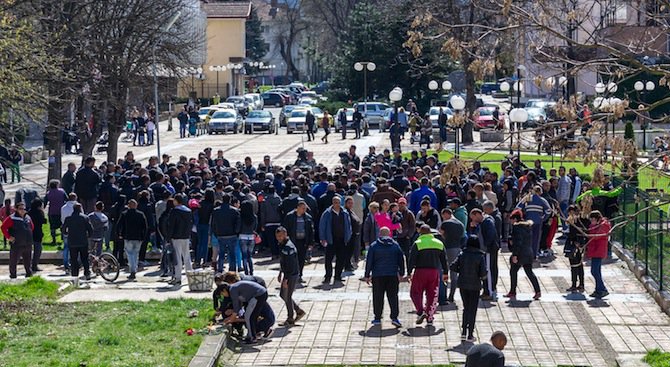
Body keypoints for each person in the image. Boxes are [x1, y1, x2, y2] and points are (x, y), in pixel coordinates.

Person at [408, 225, 449, 326]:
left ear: (420, 233)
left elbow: (411, 259)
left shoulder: (417, 243)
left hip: (420, 271)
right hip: (434, 272)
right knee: (432, 294)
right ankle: (430, 317)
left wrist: (409, 272)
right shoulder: (439, 243)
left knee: (415, 293)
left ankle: (420, 311)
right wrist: (445, 273)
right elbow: (444, 260)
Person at [364, 227, 405, 328]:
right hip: (392, 275)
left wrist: (367, 275)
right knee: (393, 297)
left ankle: (377, 317)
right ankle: (394, 317)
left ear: (379, 234)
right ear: (390, 234)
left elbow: (369, 261)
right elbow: (401, 259)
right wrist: (401, 273)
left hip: (378, 275)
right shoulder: (395, 245)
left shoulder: (374, 246)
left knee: (378, 297)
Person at [450, 235, 487, 342]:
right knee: (473, 309)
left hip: (463, 284)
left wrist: (460, 270)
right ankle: (470, 334)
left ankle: (463, 332)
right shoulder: (480, 256)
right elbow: (483, 273)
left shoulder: (462, 254)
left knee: (466, 308)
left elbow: (453, 266)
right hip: (475, 285)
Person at [505, 209, 541, 300]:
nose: (510, 221)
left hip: (520, 254)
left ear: (515, 219)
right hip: (528, 252)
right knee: (529, 272)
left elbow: (518, 243)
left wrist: (515, 255)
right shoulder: (527, 227)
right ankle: (538, 291)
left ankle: (512, 291)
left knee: (513, 271)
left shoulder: (517, 228)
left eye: (511, 219)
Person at [220, 280, 269, 344]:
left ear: (224, 290)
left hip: (258, 295)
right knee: (250, 316)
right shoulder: (234, 287)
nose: (224, 295)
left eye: (222, 293)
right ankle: (251, 335)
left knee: (249, 316)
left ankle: (252, 338)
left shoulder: (232, 290)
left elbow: (236, 307)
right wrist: (232, 316)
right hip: (260, 294)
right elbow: (239, 305)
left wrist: (230, 320)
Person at [275, 227, 306, 327]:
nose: (279, 238)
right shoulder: (282, 245)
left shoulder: (289, 247)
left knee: (287, 296)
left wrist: (286, 279)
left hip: (291, 275)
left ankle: (290, 318)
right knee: (283, 295)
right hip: (287, 273)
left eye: (280, 236)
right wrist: (280, 273)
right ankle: (298, 310)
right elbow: (283, 261)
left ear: (285, 234)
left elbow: (291, 265)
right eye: (277, 237)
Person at [319, 196, 352, 283]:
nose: (337, 204)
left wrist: (348, 236)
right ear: (332, 203)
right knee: (328, 259)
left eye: (338, 202)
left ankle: (338, 275)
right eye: (335, 202)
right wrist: (323, 238)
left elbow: (348, 225)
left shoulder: (344, 213)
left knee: (341, 258)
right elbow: (322, 226)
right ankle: (328, 276)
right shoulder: (327, 213)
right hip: (331, 240)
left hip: (342, 239)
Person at [468, 208, 499, 300]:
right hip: (484, 250)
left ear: (477, 214)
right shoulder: (481, 223)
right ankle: (487, 290)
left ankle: (489, 291)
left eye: (473, 217)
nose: (473, 220)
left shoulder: (488, 222)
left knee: (488, 270)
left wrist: (486, 246)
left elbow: (491, 234)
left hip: (488, 250)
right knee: (486, 270)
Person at [165, 194, 194, 286]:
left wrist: (168, 237)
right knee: (187, 257)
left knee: (177, 258)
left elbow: (171, 226)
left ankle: (178, 278)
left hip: (176, 237)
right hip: (186, 236)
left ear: (176, 201)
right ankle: (190, 276)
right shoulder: (188, 211)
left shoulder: (174, 211)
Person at [116, 199, 147, 281]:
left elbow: (119, 225)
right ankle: (134, 269)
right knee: (136, 254)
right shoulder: (141, 214)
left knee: (129, 254)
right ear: (136, 205)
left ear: (128, 206)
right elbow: (145, 226)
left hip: (128, 236)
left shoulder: (124, 214)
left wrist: (119, 234)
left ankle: (132, 270)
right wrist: (143, 236)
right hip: (138, 237)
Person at [1, 202, 34, 279]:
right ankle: (13, 275)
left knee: (28, 260)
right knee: (14, 261)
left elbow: (32, 227)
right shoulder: (12, 218)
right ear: (16, 209)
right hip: (17, 244)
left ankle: (28, 274)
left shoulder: (28, 217)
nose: (23, 210)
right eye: (20, 209)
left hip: (28, 243)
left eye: (24, 209)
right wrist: (8, 237)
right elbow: (3, 227)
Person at [61, 203, 93, 282]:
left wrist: (67, 234)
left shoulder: (68, 219)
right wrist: (88, 236)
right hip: (83, 241)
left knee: (73, 259)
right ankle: (87, 273)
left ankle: (75, 274)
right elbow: (90, 229)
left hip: (72, 241)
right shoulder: (85, 218)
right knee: (85, 258)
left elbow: (63, 229)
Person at [440, 208, 466, 303]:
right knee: (454, 274)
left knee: (444, 271)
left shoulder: (445, 224)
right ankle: (452, 295)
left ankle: (443, 295)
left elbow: (441, 235)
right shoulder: (460, 224)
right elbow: (464, 237)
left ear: (446, 214)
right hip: (456, 248)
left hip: (446, 248)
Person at [283, 199, 314, 279]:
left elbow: (311, 231)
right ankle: (293, 274)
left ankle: (300, 275)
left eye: (305, 209)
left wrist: (311, 243)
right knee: (292, 259)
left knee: (302, 259)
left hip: (303, 241)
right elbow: (285, 229)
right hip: (293, 241)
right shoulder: (290, 216)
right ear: (298, 208)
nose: (304, 210)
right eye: (303, 208)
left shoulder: (308, 218)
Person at [586, 210, 611, 299]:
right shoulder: (596, 226)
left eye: (593, 219)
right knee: (597, 271)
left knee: (594, 271)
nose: (591, 222)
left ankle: (602, 289)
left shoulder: (603, 226)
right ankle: (598, 289)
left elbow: (597, 236)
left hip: (598, 251)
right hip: (594, 251)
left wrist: (592, 228)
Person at [564, 205, 589, 292]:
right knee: (579, 265)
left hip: (575, 244)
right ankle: (580, 284)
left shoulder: (576, 220)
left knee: (575, 265)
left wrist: (578, 243)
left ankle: (575, 285)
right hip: (580, 244)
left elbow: (574, 233)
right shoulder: (581, 219)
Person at [44, 179, 67, 247]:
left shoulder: (48, 193)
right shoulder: (62, 191)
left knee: (52, 226)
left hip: (52, 212)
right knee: (62, 225)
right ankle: (63, 238)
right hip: (61, 211)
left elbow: (45, 202)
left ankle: (54, 239)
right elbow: (67, 199)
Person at [238, 200, 257, 276]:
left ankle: (246, 271)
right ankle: (251, 270)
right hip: (251, 236)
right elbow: (255, 227)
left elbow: (238, 227)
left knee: (244, 256)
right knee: (250, 256)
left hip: (242, 236)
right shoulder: (254, 217)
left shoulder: (241, 217)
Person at [27, 198, 46, 272]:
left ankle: (29, 265)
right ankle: (34, 265)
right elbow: (43, 221)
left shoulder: (29, 212)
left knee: (28, 250)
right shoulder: (39, 213)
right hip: (37, 233)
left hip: (29, 233)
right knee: (38, 250)